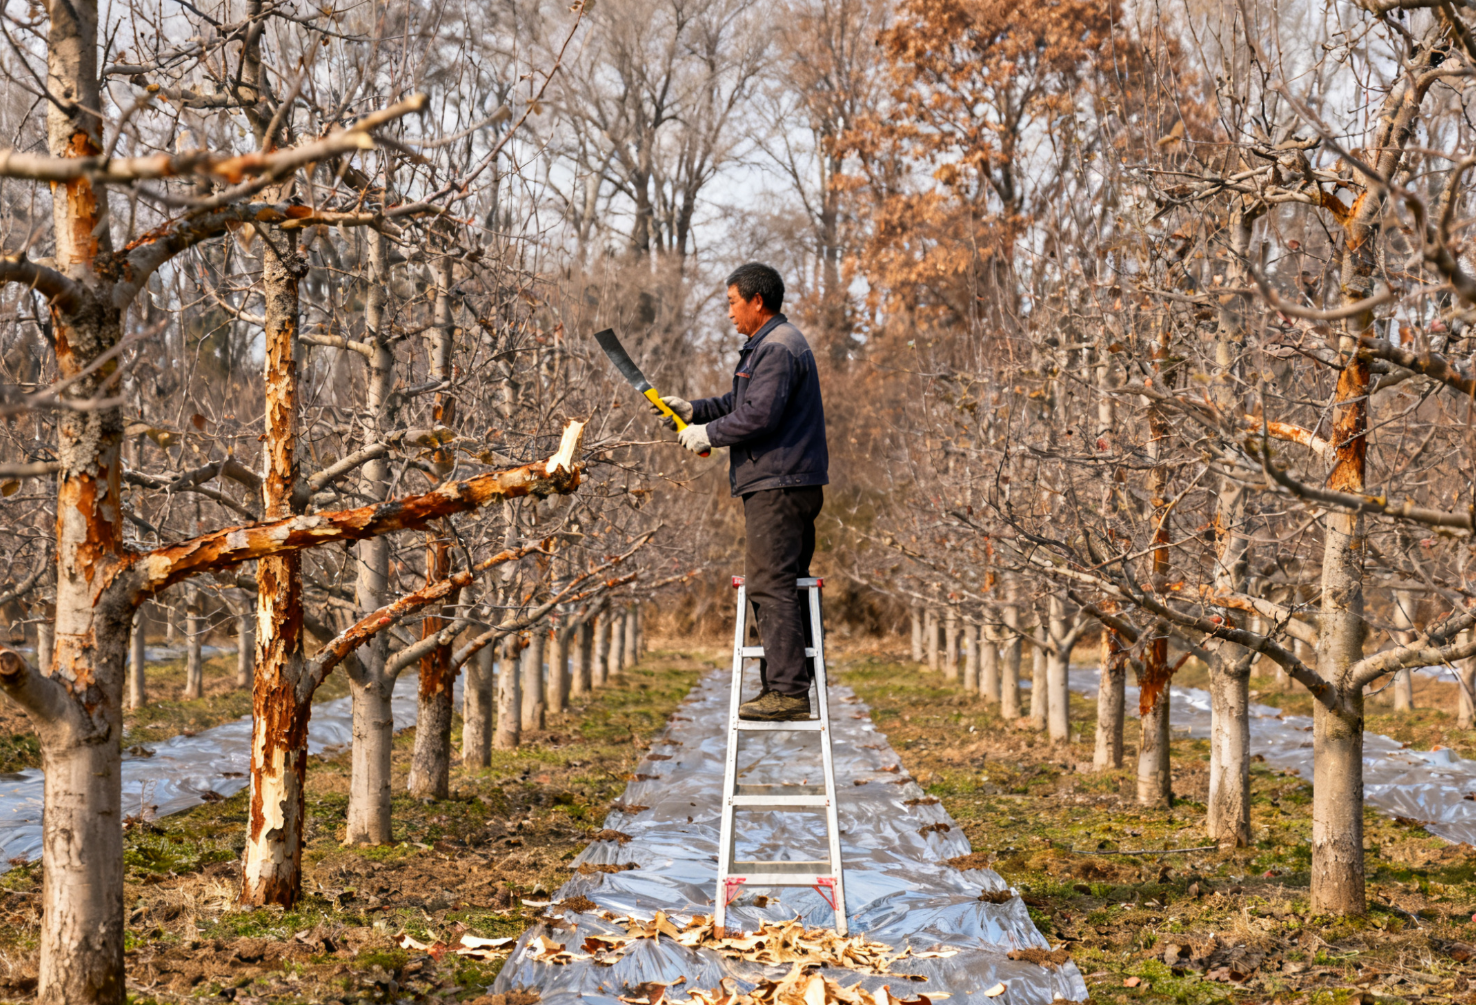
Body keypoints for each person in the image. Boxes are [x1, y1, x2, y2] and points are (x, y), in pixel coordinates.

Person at [652, 263, 828, 721]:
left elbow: (758, 417)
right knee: (781, 584)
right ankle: (788, 682)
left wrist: (707, 434)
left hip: (779, 484)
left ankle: (787, 692)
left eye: (732, 302)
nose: (729, 312)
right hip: (790, 482)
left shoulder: (777, 348)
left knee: (770, 584)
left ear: (756, 301)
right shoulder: (770, 347)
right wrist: (694, 410)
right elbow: (740, 403)